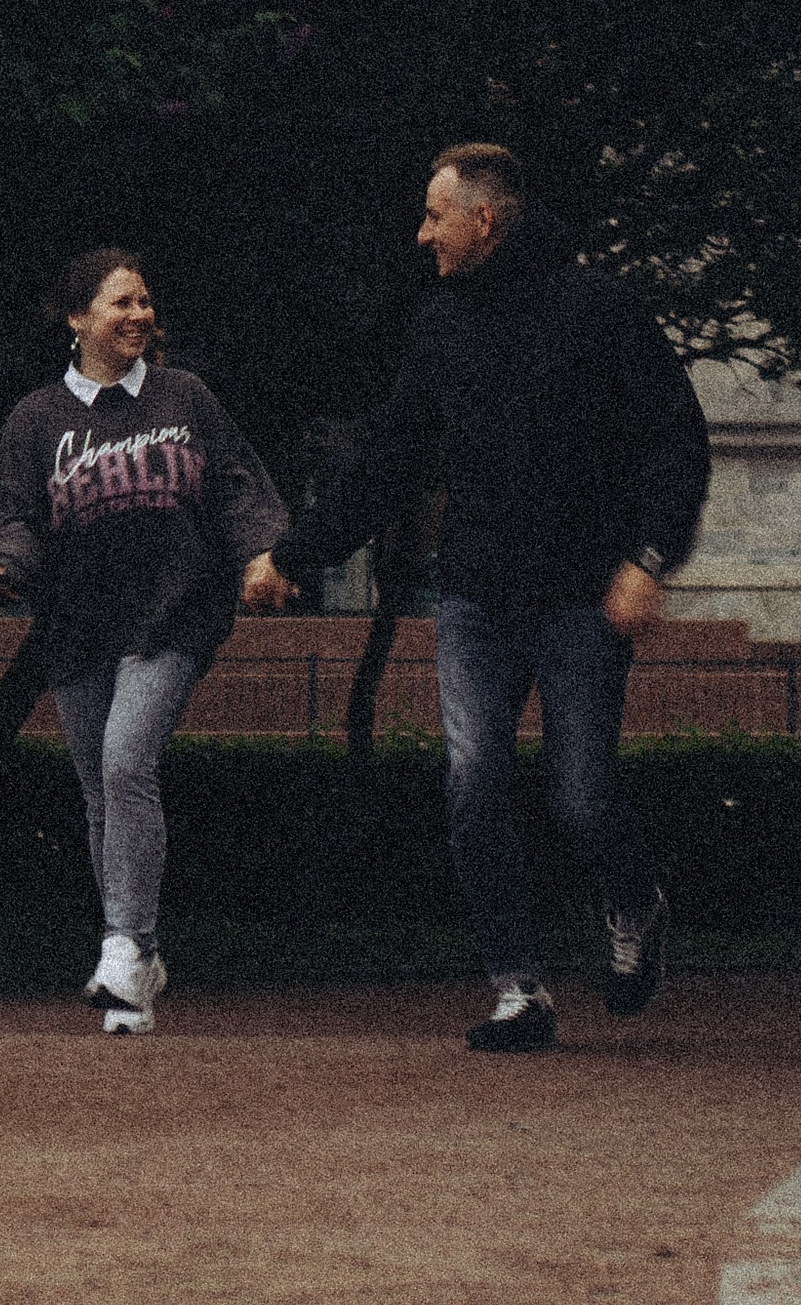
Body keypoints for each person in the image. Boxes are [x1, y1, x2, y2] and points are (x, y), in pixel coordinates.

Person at [264, 141, 709, 1053]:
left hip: (582, 597)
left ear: (485, 219)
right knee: (474, 784)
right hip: (474, 598)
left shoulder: (600, 309)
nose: (422, 234)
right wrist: (298, 554)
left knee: (582, 799)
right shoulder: (440, 326)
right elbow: (390, 458)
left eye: (435, 216)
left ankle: (635, 905)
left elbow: (677, 440)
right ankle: (517, 991)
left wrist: (649, 558)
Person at [0, 248, 288, 1035]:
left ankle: (124, 946)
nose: (140, 315)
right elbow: (8, 512)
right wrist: (4, 565)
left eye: (144, 301)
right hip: (78, 625)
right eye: (121, 303)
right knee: (100, 790)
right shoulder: (38, 419)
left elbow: (237, 486)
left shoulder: (185, 397)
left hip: (173, 613)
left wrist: (260, 554)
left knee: (126, 761)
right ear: (78, 319)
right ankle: (139, 965)